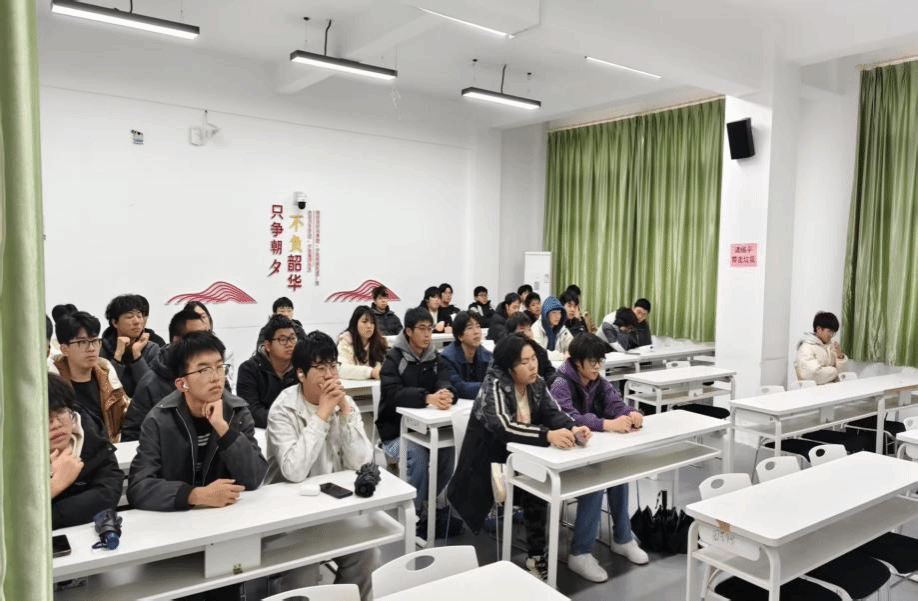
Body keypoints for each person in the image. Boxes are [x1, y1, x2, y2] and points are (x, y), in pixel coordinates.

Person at [447, 334, 590, 581]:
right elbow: (503, 427)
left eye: (534, 358)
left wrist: (572, 427)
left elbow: (551, 412)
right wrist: (548, 435)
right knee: (536, 487)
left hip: (523, 458)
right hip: (489, 466)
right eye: (524, 362)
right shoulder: (494, 385)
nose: (533, 366)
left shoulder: (536, 382)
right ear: (509, 367)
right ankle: (536, 557)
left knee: (541, 480)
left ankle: (540, 552)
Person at [265, 331, 377, 600]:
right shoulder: (283, 409)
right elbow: (294, 471)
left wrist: (345, 411)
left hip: (333, 508)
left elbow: (361, 462)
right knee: (304, 573)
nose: (329, 375)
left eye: (333, 366)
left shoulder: (344, 402)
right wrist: (323, 413)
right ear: (301, 374)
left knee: (369, 554)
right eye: (320, 368)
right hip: (290, 515)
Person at [127, 331, 267, 511]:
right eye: (204, 370)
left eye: (219, 367)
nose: (216, 377)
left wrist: (224, 430)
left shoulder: (237, 412)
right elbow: (139, 487)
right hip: (177, 518)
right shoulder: (158, 420)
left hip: (227, 514)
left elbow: (254, 477)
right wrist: (195, 495)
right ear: (182, 384)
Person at [549, 334, 648, 582]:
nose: (597, 367)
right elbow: (569, 417)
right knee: (595, 482)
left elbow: (615, 403)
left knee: (618, 473)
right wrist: (607, 424)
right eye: (592, 362)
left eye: (600, 361)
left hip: (590, 451)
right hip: (561, 455)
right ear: (577, 362)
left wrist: (631, 413)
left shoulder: (597, 381)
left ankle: (622, 538)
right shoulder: (560, 383)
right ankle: (580, 553)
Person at [378, 308, 459, 537]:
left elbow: (445, 380)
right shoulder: (393, 359)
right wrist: (426, 397)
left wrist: (446, 393)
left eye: (429, 329)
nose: (427, 334)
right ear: (408, 331)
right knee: (419, 456)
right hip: (394, 433)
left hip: (425, 430)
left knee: (448, 453)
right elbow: (393, 394)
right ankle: (413, 514)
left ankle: (424, 504)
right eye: (421, 329)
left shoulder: (434, 356)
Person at [121, 308, 209, 442]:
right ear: (176, 341)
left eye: (208, 336)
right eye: (197, 337)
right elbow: (133, 435)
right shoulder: (150, 384)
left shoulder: (215, 375)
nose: (206, 343)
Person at [48, 373, 123, 530]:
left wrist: (52, 515)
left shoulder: (90, 434)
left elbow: (108, 492)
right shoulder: (10, 458)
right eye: (45, 417)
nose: (55, 424)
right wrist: (54, 486)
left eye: (60, 411)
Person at [51, 308, 128, 442]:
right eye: (82, 342)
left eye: (94, 341)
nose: (91, 348)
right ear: (64, 349)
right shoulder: (53, 382)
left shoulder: (106, 373)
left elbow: (123, 417)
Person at [237, 315, 299, 428]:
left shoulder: (301, 368)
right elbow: (250, 411)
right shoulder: (249, 369)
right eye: (282, 340)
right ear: (268, 346)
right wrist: (284, 422)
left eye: (292, 338)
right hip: (260, 431)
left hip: (296, 429)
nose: (290, 344)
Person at [100, 294, 162, 397]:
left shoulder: (152, 349)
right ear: (115, 322)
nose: (137, 322)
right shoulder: (101, 349)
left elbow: (151, 390)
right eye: (129, 316)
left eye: (139, 316)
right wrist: (117, 356)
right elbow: (105, 389)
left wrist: (137, 355)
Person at [184, 301, 238, 392]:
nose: (201, 321)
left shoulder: (225, 352)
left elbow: (229, 385)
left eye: (204, 316)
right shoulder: (181, 350)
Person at [440, 312, 493, 399]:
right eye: (470, 328)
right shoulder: (447, 358)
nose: (476, 332)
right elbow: (458, 387)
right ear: (460, 336)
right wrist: (489, 387)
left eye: (478, 326)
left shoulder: (487, 356)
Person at [795, 311, 848, 385]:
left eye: (833, 332)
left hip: (832, 388)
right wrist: (834, 371)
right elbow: (814, 374)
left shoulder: (831, 346)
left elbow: (842, 376)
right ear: (818, 329)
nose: (831, 335)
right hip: (814, 390)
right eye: (829, 331)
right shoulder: (806, 347)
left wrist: (840, 357)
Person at [338, 305, 387, 380]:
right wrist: (370, 372)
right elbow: (342, 370)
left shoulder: (379, 342)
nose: (369, 326)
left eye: (372, 322)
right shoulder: (345, 342)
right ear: (355, 323)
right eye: (364, 322)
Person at [506, 312, 557, 383]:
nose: (528, 334)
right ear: (511, 334)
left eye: (529, 329)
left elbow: (549, 372)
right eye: (522, 331)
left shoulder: (540, 351)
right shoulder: (506, 354)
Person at [531, 296, 573, 361]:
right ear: (546, 314)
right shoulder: (536, 328)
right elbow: (538, 352)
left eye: (559, 313)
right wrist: (561, 356)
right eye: (554, 313)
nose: (558, 316)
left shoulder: (562, 330)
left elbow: (573, 346)